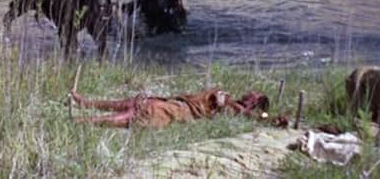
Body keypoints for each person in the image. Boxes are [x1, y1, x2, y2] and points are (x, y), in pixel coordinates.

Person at [70, 87, 268, 128]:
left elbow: (250, 115)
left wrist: (266, 117)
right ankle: (86, 103)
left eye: (254, 97)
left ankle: (86, 121)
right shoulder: (230, 97)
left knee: (140, 111)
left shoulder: (236, 108)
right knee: (133, 101)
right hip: (178, 101)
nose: (251, 93)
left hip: (181, 110)